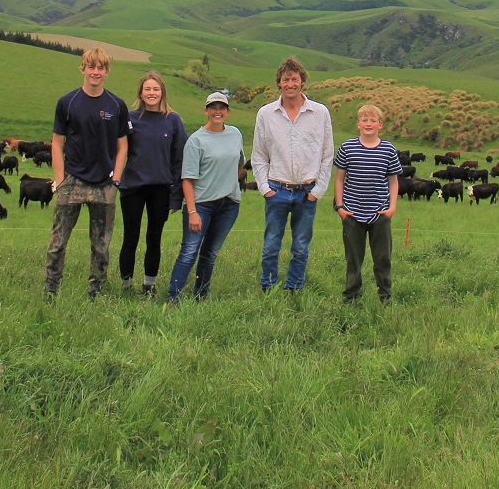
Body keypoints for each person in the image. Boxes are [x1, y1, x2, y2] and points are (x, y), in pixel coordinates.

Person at [44, 48, 128, 299]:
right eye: (91, 67)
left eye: (100, 68)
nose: (95, 72)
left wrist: (116, 179)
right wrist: (60, 180)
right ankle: (51, 291)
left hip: (104, 184)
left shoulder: (116, 105)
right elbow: (57, 143)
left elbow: (123, 145)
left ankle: (96, 292)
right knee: (57, 243)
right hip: (72, 181)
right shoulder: (67, 102)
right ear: (82, 69)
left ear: (107, 72)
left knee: (101, 246)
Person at [252, 56, 334, 293]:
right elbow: (259, 156)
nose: (290, 84)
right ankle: (268, 286)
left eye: (295, 79)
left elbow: (327, 155)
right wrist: (264, 188)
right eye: (286, 80)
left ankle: (294, 288)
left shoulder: (320, 113)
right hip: (277, 189)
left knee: (300, 246)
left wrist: (318, 190)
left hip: (307, 191)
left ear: (302, 82)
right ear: (279, 82)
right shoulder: (266, 114)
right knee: (271, 245)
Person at [168, 91, 246, 302]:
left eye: (222, 108)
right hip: (201, 205)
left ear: (228, 112)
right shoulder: (196, 140)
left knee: (210, 253)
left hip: (229, 204)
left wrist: (232, 182)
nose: (217, 112)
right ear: (206, 111)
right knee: (189, 251)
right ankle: (173, 298)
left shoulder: (235, 135)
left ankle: (201, 296)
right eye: (213, 108)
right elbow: (187, 179)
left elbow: (240, 163)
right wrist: (192, 211)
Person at [118, 71, 188, 296]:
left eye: (155, 89)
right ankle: (126, 285)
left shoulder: (173, 120)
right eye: (147, 89)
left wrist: (177, 194)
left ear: (162, 92)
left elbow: (179, 159)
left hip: (161, 188)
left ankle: (149, 285)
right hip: (132, 187)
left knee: (154, 238)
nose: (151, 93)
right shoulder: (130, 118)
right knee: (130, 237)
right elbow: (118, 151)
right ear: (141, 92)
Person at [333, 103, 401, 304]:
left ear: (380, 125)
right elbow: (339, 179)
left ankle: (385, 297)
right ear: (358, 124)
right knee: (353, 259)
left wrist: (392, 208)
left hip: (380, 214)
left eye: (373, 120)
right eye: (364, 120)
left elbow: (393, 181)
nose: (368, 123)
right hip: (352, 214)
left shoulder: (388, 149)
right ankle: (351, 297)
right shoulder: (347, 147)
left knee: (382, 258)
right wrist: (340, 207)